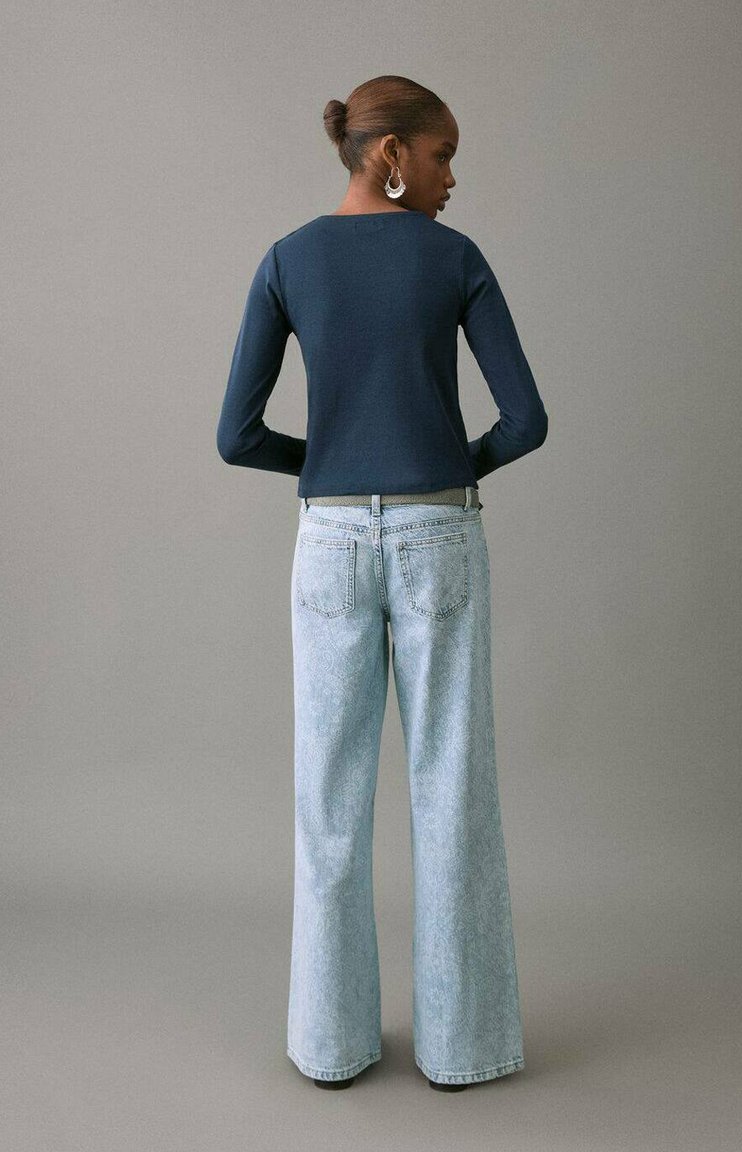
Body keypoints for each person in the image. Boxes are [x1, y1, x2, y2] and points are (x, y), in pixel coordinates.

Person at [216, 75, 548, 1092]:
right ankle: (463, 1050)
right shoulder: (453, 258)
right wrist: (449, 463)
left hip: (328, 544)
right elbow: (525, 421)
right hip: (437, 534)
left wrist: (327, 464)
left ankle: (329, 1047)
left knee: (328, 802)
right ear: (391, 154)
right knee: (452, 794)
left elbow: (236, 437)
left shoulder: (288, 259)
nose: (452, 178)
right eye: (443, 155)